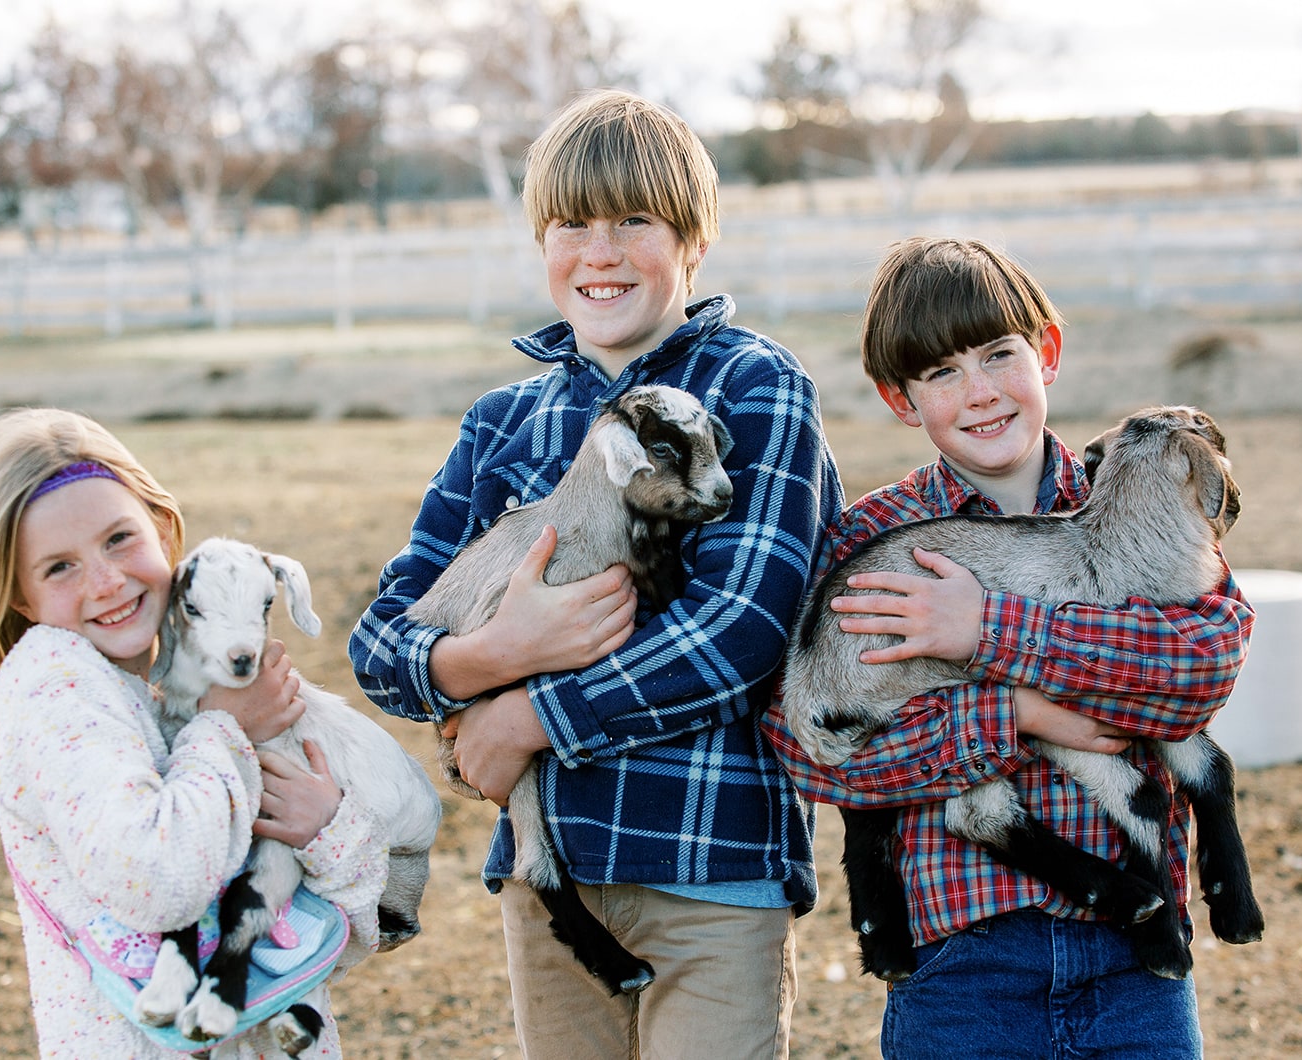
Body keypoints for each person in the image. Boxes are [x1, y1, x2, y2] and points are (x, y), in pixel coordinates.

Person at [350, 88, 844, 1059]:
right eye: (572, 223)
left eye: (634, 221)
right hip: (550, 882)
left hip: (710, 865)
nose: (601, 251)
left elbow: (740, 627)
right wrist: (484, 657)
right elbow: (380, 639)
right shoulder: (503, 422)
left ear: (692, 239)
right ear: (543, 240)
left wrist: (528, 715)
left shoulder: (754, 386)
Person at [761, 236, 1255, 1058]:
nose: (981, 392)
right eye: (942, 373)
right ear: (900, 399)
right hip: (964, 964)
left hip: (1139, 967)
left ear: (1047, 352)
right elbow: (814, 751)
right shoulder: (875, 540)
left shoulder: (1143, 499)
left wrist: (990, 630)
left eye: (999, 354)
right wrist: (1018, 713)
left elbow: (1202, 668)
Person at [0, 407, 390, 1058]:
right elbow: (155, 881)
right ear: (20, 597)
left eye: (119, 539)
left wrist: (326, 831)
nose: (106, 581)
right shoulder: (55, 686)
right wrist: (225, 730)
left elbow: (356, 931)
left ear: (163, 531)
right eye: (59, 567)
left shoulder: (169, 690)